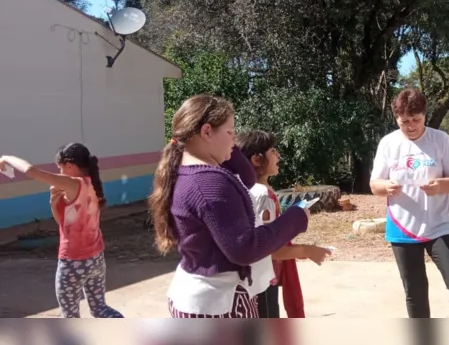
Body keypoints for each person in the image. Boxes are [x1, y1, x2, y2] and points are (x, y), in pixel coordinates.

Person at [148, 94, 310, 319]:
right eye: (230, 132)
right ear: (206, 132)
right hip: (218, 305)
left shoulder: (187, 171)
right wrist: (296, 218)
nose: (234, 141)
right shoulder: (211, 183)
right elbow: (245, 249)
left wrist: (223, 146)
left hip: (197, 296)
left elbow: (247, 178)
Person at [369, 88, 449, 318]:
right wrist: (387, 187)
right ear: (396, 119)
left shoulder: (440, 140)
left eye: (416, 120)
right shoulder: (388, 143)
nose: (411, 126)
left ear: (425, 115)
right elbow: (375, 185)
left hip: (439, 226)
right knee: (415, 292)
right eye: (404, 121)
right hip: (403, 229)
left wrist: (440, 186)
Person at [0, 143, 123, 318]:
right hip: (96, 259)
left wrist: (6, 158)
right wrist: (54, 203)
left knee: (69, 316)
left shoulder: (73, 183)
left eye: (60, 168)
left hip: (73, 262)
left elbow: (31, 171)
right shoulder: (92, 184)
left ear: (70, 166)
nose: (59, 173)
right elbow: (64, 225)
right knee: (100, 309)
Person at [235, 130, 332, 318]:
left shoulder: (245, 188)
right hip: (261, 281)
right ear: (257, 159)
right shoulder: (262, 194)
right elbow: (267, 248)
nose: (278, 155)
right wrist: (308, 250)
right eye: (273, 151)